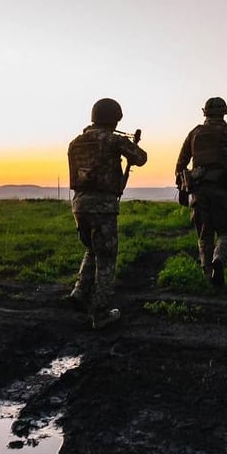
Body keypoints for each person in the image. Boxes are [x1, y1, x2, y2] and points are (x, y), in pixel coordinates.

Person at [67, 97, 148, 329]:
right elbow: (141, 158)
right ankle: (101, 312)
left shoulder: (75, 142)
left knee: (92, 248)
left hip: (80, 205)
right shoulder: (113, 140)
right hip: (103, 206)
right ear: (113, 119)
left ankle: (80, 292)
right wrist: (127, 145)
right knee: (106, 258)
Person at [175, 96, 227, 286]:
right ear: (224, 112)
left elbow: (181, 163)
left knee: (204, 235)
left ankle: (207, 278)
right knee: (226, 231)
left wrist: (181, 186)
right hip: (222, 189)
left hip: (199, 191)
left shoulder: (194, 133)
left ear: (205, 112)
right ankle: (219, 260)